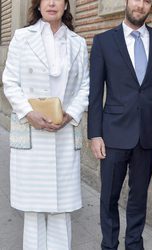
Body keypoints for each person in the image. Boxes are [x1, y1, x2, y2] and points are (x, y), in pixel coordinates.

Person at [87, 0, 152, 249]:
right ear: (126, 2)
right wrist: (95, 134)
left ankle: (134, 244)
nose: (140, 5)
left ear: (151, 6)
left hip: (147, 134)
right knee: (109, 196)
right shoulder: (104, 41)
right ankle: (109, 244)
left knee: (139, 197)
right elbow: (95, 93)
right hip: (113, 134)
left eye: (146, 1)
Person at [2, 0, 89, 249]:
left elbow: (85, 85)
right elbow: (10, 81)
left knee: (62, 209)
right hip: (31, 132)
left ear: (65, 5)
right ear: (38, 6)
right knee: (33, 209)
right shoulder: (22, 37)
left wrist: (70, 114)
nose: (52, 3)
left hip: (63, 132)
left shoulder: (77, 43)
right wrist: (29, 113)